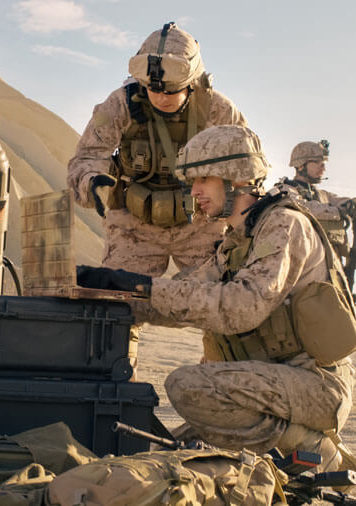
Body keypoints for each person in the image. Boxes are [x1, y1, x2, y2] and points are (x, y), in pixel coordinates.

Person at [77, 125, 356, 470]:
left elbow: (241, 308)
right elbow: (187, 295)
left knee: (187, 387)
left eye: (203, 180)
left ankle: (320, 456)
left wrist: (143, 286)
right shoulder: (238, 240)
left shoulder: (283, 225)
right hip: (275, 379)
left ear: (235, 179)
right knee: (175, 453)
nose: (194, 191)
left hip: (314, 385)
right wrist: (113, 289)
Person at [67, 22, 247, 278]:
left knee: (218, 301)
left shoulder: (218, 110)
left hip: (200, 225)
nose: (161, 98)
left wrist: (236, 214)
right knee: (119, 304)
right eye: (152, 89)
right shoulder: (120, 105)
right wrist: (91, 182)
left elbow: (247, 167)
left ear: (191, 83)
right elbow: (88, 155)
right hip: (134, 226)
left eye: (171, 91)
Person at [276, 140, 355, 272]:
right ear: (300, 165)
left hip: (331, 270)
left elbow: (344, 202)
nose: (323, 167)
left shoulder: (323, 195)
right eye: (317, 163)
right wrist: (338, 212)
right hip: (302, 272)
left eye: (323, 163)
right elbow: (303, 207)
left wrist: (351, 205)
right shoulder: (284, 191)